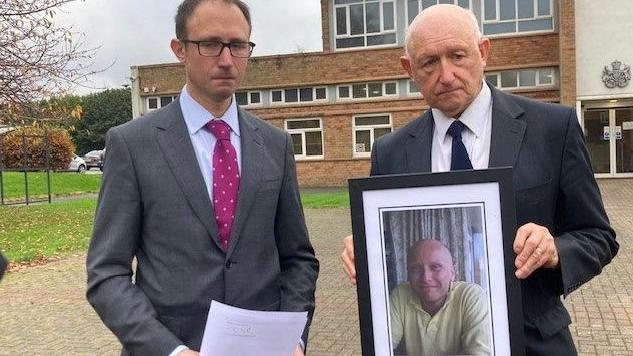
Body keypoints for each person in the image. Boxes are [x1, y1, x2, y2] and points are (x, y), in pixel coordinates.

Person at [341, 4, 618, 355]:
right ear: (409, 69)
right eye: (429, 62)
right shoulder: (390, 151)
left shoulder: (552, 128)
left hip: (535, 342)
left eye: (458, 55)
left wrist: (555, 251)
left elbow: (598, 237)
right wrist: (364, 248)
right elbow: (388, 253)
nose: (446, 74)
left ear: (483, 52)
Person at [86, 1, 319, 355]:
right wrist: (171, 351)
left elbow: (298, 259)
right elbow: (107, 274)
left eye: (238, 45)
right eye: (210, 44)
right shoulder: (132, 144)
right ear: (179, 49)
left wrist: (294, 337)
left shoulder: (276, 144)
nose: (226, 60)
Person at [391, 239, 490, 355]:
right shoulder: (400, 295)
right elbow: (379, 347)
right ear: (409, 273)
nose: (426, 278)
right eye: (416, 269)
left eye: (435, 267)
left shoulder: (472, 296)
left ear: (452, 273)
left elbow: (480, 353)